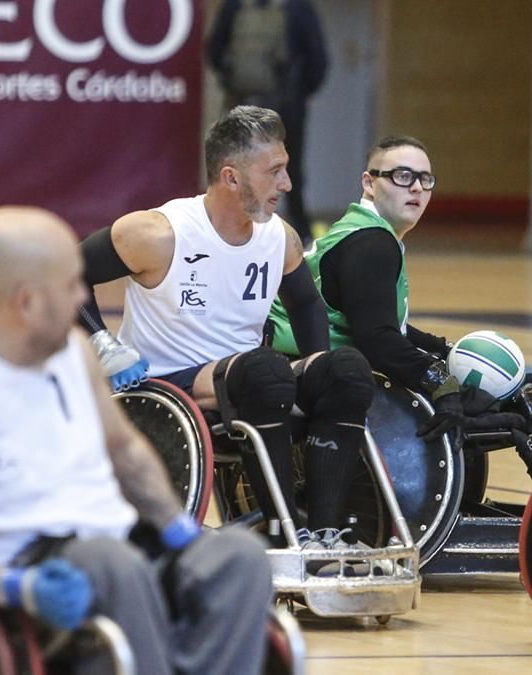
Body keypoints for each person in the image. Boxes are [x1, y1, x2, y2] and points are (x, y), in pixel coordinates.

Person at [0, 207, 272, 675]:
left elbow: (125, 453)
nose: (83, 297)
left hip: (113, 557)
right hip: (21, 581)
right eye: (69, 286)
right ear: (26, 303)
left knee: (237, 558)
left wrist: (176, 529)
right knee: (109, 563)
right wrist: (11, 586)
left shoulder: (72, 352)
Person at [77, 106, 374, 548]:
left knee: (347, 371)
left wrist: (316, 369)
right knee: (265, 370)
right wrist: (102, 344)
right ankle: (285, 531)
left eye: (286, 170)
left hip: (252, 380)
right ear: (232, 178)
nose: (286, 184)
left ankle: (323, 534)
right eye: (275, 172)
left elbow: (307, 305)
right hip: (164, 384)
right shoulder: (158, 233)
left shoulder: (280, 237)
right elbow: (65, 273)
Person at [264, 135, 532, 481]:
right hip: (303, 372)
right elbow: (378, 341)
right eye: (402, 176)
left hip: (309, 363)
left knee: (489, 395)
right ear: (369, 183)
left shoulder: (362, 230)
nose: (416, 188)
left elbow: (379, 321)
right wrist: (442, 382)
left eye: (425, 179)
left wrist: (446, 353)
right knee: (505, 415)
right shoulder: (372, 244)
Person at [207, 0, 328, 247]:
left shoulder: (235, 5)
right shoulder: (299, 7)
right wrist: (303, 91)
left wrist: (230, 82)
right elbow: (319, 58)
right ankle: (300, 237)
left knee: (235, 168)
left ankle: (228, 231)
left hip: (240, 104)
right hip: (286, 105)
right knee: (288, 170)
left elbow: (213, 50)